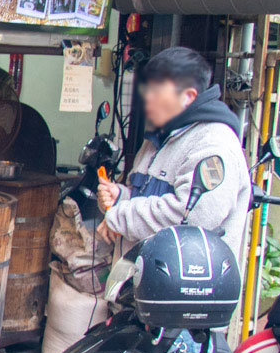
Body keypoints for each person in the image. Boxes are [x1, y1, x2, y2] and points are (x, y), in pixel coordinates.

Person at [97, 46, 250, 257]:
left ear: (187, 96)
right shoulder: (158, 138)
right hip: (139, 278)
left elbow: (191, 216)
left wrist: (120, 216)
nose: (146, 101)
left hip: (185, 286)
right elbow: (145, 198)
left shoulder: (215, 145)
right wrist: (122, 196)